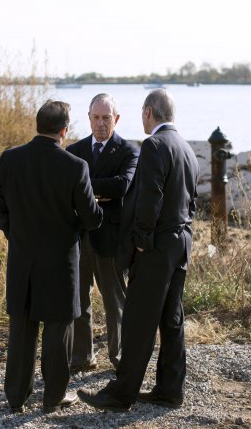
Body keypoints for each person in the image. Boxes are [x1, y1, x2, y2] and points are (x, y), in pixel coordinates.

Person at [77, 88, 199, 412]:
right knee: (172, 319)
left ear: (148, 112)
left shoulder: (154, 146)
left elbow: (150, 198)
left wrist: (141, 243)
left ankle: (120, 393)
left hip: (157, 246)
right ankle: (169, 389)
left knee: (138, 320)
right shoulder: (186, 147)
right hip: (181, 242)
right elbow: (193, 200)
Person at [0, 100, 103, 414]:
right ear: (64, 131)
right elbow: (92, 218)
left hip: (22, 260)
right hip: (61, 262)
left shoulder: (9, 159)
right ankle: (53, 396)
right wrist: (93, 207)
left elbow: (0, 210)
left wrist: (17, 236)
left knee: (22, 329)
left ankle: (16, 396)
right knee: (58, 331)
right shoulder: (74, 166)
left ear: (38, 124)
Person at [66, 93, 139, 372]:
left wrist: (84, 188)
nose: (100, 124)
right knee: (79, 300)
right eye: (96, 118)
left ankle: (119, 356)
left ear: (116, 119)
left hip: (111, 239)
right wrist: (97, 192)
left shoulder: (128, 151)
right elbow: (67, 188)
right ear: (88, 118)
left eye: (106, 118)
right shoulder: (75, 150)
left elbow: (122, 186)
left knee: (115, 300)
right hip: (80, 237)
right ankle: (82, 356)